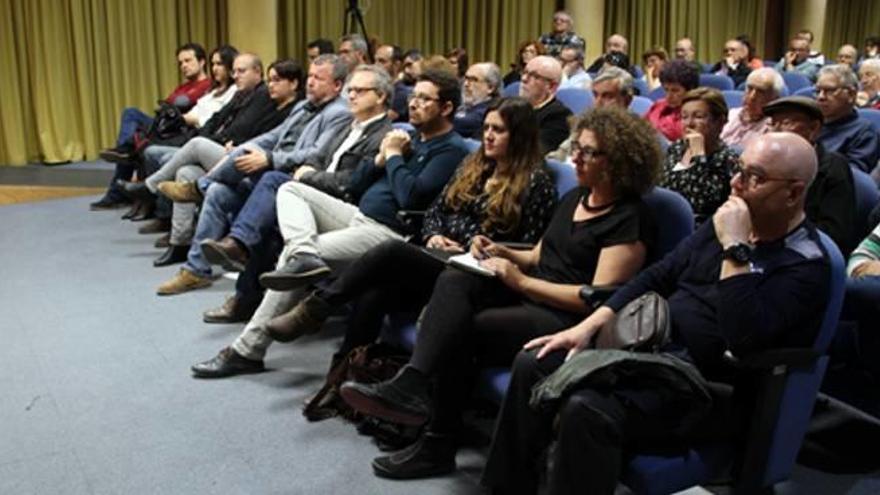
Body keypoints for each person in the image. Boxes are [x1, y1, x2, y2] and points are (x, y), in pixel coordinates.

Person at [482, 132, 831, 495]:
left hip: (707, 387)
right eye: (738, 170)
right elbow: (658, 275)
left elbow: (743, 338)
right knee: (535, 361)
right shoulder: (723, 224)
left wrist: (735, 248)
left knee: (587, 408)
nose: (736, 185)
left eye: (754, 178)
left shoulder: (805, 264)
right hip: (650, 354)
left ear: (793, 193)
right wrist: (588, 326)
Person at [338, 106, 663, 479]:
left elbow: (595, 299)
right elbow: (542, 253)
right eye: (578, 147)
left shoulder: (630, 219)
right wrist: (503, 251)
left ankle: (435, 440)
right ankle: (415, 389)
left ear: (619, 162)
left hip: (566, 318)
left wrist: (521, 281)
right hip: (534, 294)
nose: (576, 156)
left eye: (589, 152)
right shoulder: (577, 197)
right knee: (456, 277)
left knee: (464, 328)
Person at [189, 68, 470, 376]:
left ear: (446, 108)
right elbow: (357, 184)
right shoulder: (409, 138)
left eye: (424, 99)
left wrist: (391, 156)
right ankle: (303, 254)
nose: (414, 103)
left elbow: (411, 198)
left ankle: (247, 350)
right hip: (357, 214)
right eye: (414, 96)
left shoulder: (451, 149)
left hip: (388, 234)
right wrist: (378, 160)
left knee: (290, 255)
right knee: (289, 188)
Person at [262, 97, 558, 359]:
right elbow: (435, 211)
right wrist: (433, 235)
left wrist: (466, 242)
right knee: (375, 291)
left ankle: (316, 309)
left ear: (519, 136)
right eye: (487, 128)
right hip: (443, 257)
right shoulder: (475, 164)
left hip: (478, 273)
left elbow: (525, 246)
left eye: (499, 130)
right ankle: (341, 376)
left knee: (389, 250)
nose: (489, 136)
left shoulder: (536, 183)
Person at [196, 64, 395, 323]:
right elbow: (317, 156)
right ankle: (245, 293)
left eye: (360, 90)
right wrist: (309, 170)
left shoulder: (385, 135)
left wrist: (310, 175)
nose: (352, 96)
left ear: (380, 96)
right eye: (351, 90)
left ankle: (239, 247)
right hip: (313, 192)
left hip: (343, 206)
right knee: (263, 219)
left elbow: (353, 182)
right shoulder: (349, 125)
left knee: (273, 182)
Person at [154, 54, 352, 295]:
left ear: (337, 85)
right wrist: (246, 149)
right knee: (219, 190)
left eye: (318, 78)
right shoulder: (303, 106)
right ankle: (195, 271)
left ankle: (199, 189)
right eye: (309, 76)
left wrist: (268, 159)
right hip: (272, 169)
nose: (310, 82)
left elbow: (317, 155)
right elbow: (274, 135)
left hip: (296, 179)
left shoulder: (339, 112)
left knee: (228, 166)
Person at [126, 57, 304, 268]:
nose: (271, 84)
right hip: (235, 152)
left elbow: (260, 138)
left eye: (276, 80)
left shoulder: (286, 105)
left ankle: (151, 187)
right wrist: (236, 144)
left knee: (196, 145)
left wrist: (238, 145)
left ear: (292, 84)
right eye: (271, 79)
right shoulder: (261, 101)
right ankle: (180, 243)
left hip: (254, 161)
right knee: (185, 171)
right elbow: (221, 122)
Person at [90, 43, 212, 210]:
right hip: (163, 125)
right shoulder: (182, 87)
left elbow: (185, 112)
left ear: (202, 62)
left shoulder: (208, 86)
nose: (183, 66)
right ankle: (124, 155)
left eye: (188, 61)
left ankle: (120, 174)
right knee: (132, 120)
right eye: (181, 63)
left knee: (132, 122)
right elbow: (166, 107)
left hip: (180, 131)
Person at [763, 96, 856, 255]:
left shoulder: (834, 168)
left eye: (786, 123)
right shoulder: (763, 163)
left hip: (807, 253)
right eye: (773, 123)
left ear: (813, 129)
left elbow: (834, 233)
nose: (776, 130)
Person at [660, 87, 739, 223]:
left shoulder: (727, 160)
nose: (689, 124)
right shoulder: (677, 149)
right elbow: (664, 188)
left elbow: (699, 203)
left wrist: (697, 153)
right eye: (684, 117)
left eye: (698, 117)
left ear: (719, 122)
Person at [815, 64, 880, 173]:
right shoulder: (810, 124)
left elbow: (852, 176)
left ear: (851, 94)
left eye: (830, 90)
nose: (820, 97)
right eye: (818, 91)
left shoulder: (864, 132)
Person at [518, 55, 572, 152]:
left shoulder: (559, 116)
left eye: (534, 76)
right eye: (524, 72)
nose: (524, 79)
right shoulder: (515, 108)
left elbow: (536, 153)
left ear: (551, 86)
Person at [720, 68, 784, 148]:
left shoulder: (773, 130)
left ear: (774, 98)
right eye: (750, 88)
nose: (752, 97)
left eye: (761, 92)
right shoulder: (731, 114)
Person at [645, 59, 701, 141]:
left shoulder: (697, 113)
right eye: (666, 90)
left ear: (690, 90)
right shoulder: (658, 105)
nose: (668, 96)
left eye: (675, 90)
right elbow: (640, 127)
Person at [454, 62, 501, 139]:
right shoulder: (467, 106)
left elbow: (462, 122)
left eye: (473, 80)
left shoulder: (491, 110)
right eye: (466, 79)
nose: (466, 84)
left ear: (490, 88)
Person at [390, 49, 422, 122]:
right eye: (404, 68)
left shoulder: (404, 90)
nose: (406, 71)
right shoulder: (401, 84)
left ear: (421, 61)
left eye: (409, 65)